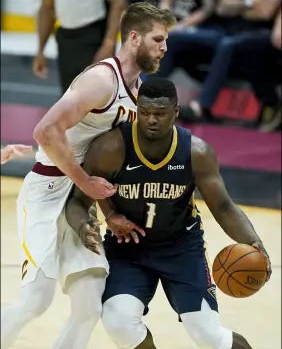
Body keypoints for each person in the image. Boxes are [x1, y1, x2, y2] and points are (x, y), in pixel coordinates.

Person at [1, 3, 175, 349]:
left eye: (166, 39)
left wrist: (110, 210)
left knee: (89, 304)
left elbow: (110, 164)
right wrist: (87, 184)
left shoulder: (138, 92)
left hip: (81, 201)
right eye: (158, 38)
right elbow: (45, 132)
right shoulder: (100, 80)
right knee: (35, 301)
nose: (164, 47)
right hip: (48, 193)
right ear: (134, 37)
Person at [66, 78, 271, 349]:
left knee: (209, 336)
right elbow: (76, 202)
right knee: (119, 322)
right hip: (129, 251)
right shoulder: (111, 149)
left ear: (175, 112)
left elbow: (223, 207)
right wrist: (85, 226)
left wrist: (252, 240)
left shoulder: (196, 152)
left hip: (181, 248)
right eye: (145, 112)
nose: (151, 120)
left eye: (160, 114)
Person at [33, 0, 126, 94]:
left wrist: (108, 44)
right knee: (69, 98)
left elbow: (118, 2)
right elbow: (47, 7)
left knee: (96, 98)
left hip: (94, 37)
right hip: (66, 40)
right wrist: (40, 51)